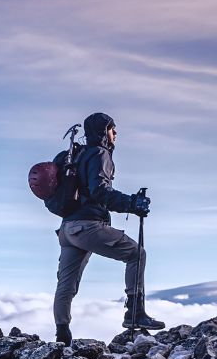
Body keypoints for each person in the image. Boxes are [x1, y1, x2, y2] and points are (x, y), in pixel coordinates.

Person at [53, 112, 165, 346]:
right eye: (113, 129)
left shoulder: (77, 155)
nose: (116, 134)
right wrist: (132, 204)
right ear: (104, 131)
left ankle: (62, 335)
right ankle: (134, 313)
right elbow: (100, 191)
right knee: (136, 254)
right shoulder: (99, 154)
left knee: (66, 284)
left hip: (67, 230)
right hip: (88, 226)